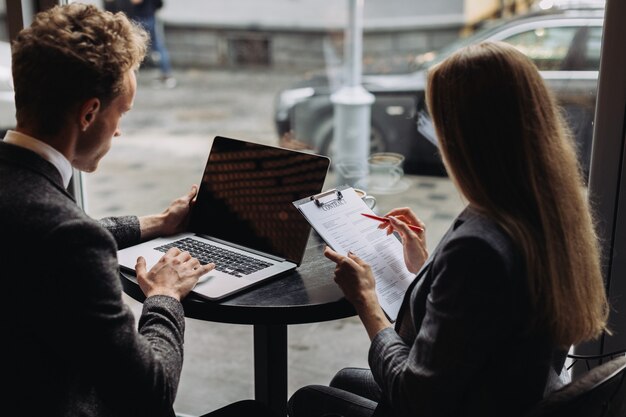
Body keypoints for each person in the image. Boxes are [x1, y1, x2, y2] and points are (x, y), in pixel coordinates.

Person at [287, 41, 610, 417]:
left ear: (467, 136)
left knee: (308, 400)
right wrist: (425, 266)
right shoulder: (544, 211)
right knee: (345, 379)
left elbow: (414, 396)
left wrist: (367, 303)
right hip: (505, 394)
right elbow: (476, 318)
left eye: (439, 123)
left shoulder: (478, 247)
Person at [1, 4, 273, 417]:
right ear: (90, 113)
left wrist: (158, 223)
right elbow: (151, 393)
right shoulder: (67, 237)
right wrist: (165, 296)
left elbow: (45, 234)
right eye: (121, 112)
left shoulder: (33, 208)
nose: (120, 129)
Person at [126, 0, 177, 88]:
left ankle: (127, 75)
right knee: (158, 46)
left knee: (131, 45)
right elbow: (159, 4)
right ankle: (166, 74)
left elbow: (136, 1)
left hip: (141, 18)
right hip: (150, 16)